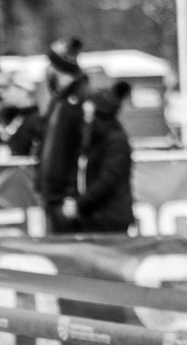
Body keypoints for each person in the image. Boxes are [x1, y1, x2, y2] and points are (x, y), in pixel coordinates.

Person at [34, 37, 88, 235]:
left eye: (51, 66)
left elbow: (84, 153)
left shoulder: (79, 103)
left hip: (66, 198)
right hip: (53, 196)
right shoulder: (58, 103)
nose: (47, 72)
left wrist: (73, 196)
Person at [74, 82, 135, 235]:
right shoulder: (95, 139)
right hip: (96, 216)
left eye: (88, 112)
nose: (85, 117)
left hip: (109, 219)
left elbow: (107, 180)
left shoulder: (115, 140)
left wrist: (80, 204)